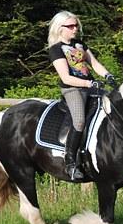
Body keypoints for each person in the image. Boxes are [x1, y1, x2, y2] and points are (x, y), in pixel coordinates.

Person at [47, 10, 117, 180]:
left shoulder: (80, 45)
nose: (75, 28)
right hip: (72, 89)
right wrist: (89, 83)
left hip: (90, 86)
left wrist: (108, 76)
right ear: (60, 28)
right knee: (79, 120)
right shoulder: (56, 50)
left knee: (114, 106)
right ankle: (70, 162)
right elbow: (66, 77)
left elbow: (94, 64)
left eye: (76, 25)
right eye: (70, 26)